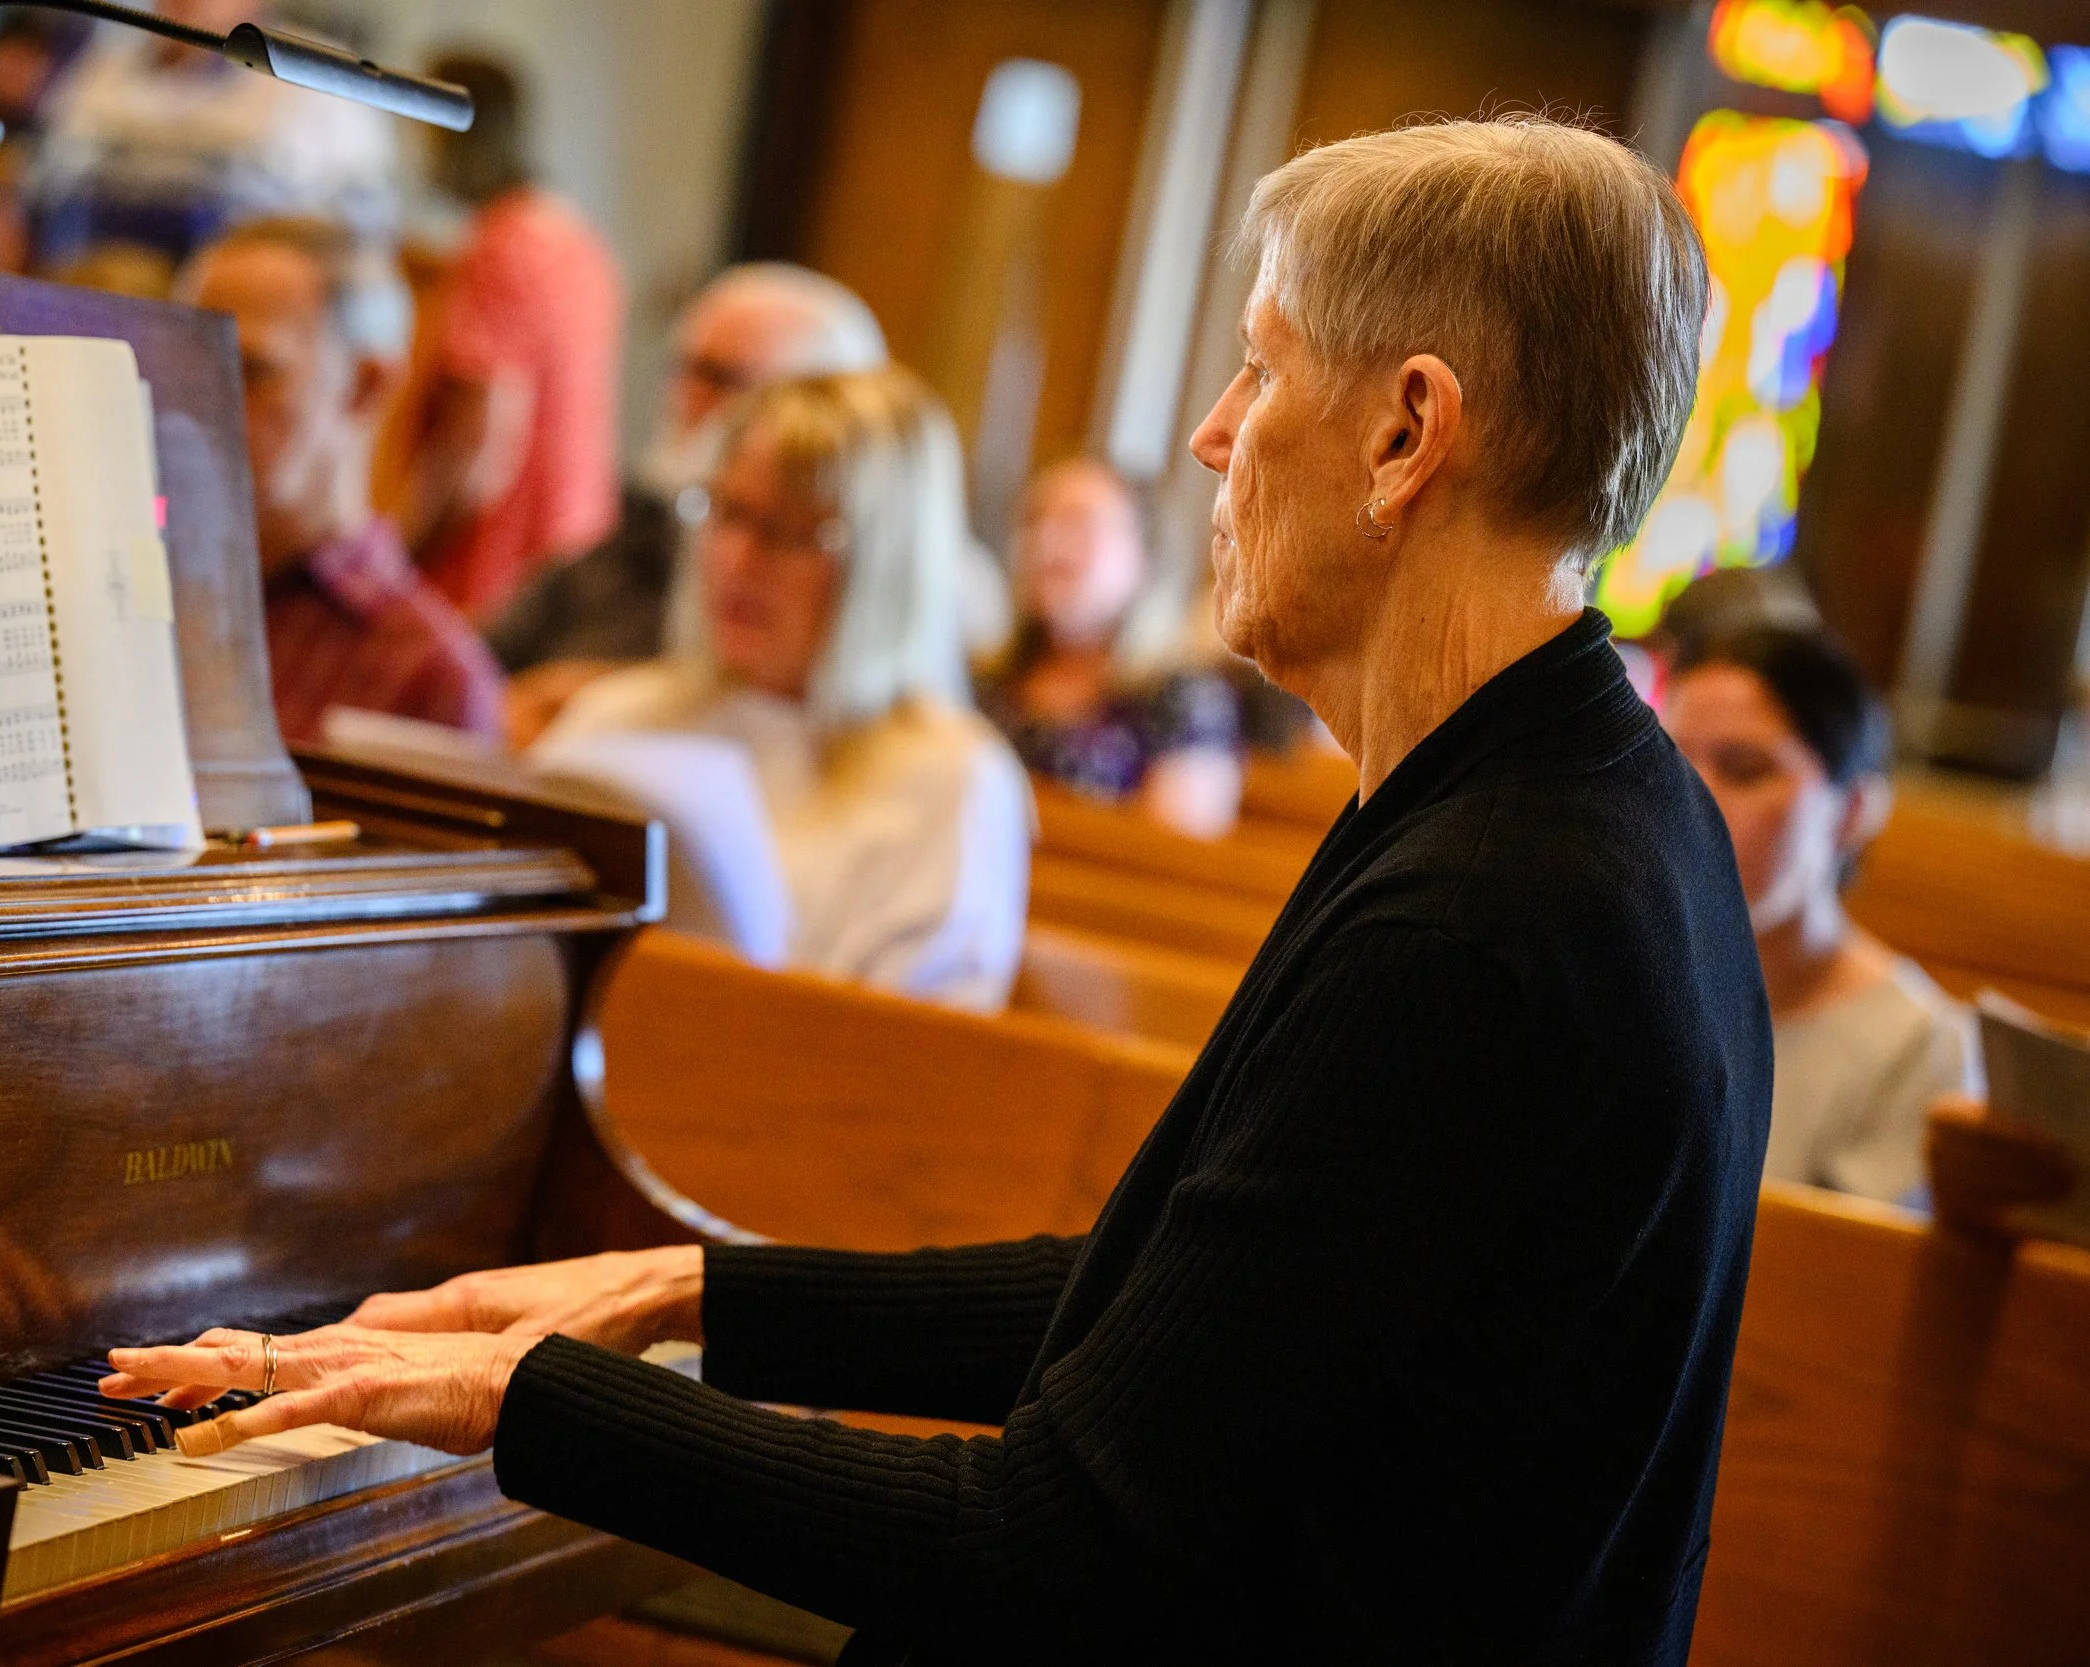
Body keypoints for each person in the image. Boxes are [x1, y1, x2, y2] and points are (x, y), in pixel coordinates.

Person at [106, 117, 1767, 1663]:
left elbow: (1053, 1541)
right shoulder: (1565, 805)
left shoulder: (1488, 918)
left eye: (1257, 368)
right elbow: (1185, 1312)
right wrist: (678, 1290)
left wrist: (520, 1399)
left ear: (1407, 434)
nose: (1208, 433)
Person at [532, 367, 1029, 1011]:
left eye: (792, 533)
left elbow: (910, 1064)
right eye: (729, 512)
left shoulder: (956, 781)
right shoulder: (616, 716)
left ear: (885, 561)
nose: (738, 560)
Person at [486, 262, 890, 722]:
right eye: (691, 371)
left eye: (730, 381)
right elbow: (485, 666)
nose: (696, 399)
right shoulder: (640, 521)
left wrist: (604, 701)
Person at [1663, 621, 1978, 1205]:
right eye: (1669, 763)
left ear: (1853, 811)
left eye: (1745, 769)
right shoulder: (1628, 987)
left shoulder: (1916, 1048)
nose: (1689, 802)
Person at [176, 218, 502, 744]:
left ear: (365, 386)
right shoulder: (135, 596)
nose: (193, 404)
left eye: (250, 371)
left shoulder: (429, 678)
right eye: (184, 365)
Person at [386, 55, 623, 624]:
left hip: (497, 570)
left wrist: (391, 554)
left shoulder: (501, 249)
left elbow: (479, 449)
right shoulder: (578, 240)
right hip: (572, 548)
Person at [20, 0, 398, 278]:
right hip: (84, 283)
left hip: (237, 306)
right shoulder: (104, 66)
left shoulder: (315, 76)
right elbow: (44, 179)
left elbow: (360, 237)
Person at [977, 457, 1243, 837]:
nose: (1046, 543)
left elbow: (1175, 864)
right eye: (1034, 522)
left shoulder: (1184, 702)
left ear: (1145, 556)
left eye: (1078, 524)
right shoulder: (981, 681)